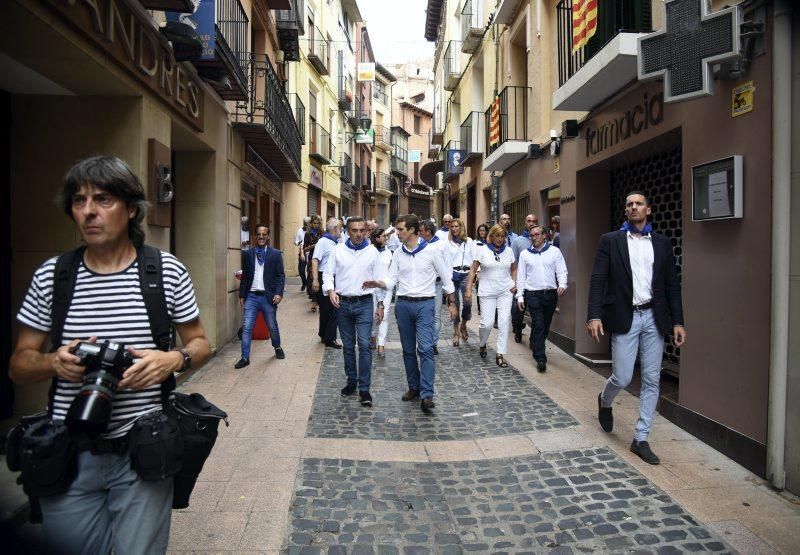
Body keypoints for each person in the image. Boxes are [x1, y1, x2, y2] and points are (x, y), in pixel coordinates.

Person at [10, 156, 212, 553]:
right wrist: (52, 362)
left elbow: (200, 343)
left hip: (143, 451)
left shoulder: (164, 271)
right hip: (68, 453)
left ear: (131, 209)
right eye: (79, 200)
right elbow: (19, 363)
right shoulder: (53, 275)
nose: (88, 211)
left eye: (103, 199)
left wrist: (173, 360)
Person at [588, 191, 686, 465]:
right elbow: (598, 279)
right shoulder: (611, 241)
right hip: (624, 317)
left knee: (652, 379)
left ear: (648, 210)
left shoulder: (663, 244)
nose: (633, 207)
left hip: (654, 318)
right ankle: (605, 400)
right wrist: (593, 315)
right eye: (629, 203)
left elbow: (671, 286)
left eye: (638, 203)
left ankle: (641, 438)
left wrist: (678, 321)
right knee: (621, 376)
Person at [365, 214, 457, 413]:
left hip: (425, 304)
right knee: (408, 350)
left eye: (401, 230)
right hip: (404, 305)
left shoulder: (432, 251)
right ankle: (414, 387)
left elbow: (447, 279)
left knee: (425, 348)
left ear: (413, 230)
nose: (397, 233)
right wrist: (377, 283)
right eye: (397, 230)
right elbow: (391, 280)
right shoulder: (398, 253)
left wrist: (452, 302)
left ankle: (427, 394)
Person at [323, 217, 385, 407]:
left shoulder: (373, 252)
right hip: (343, 304)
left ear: (366, 231)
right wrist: (331, 290)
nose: (358, 234)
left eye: (361, 230)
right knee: (348, 346)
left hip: (365, 303)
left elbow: (380, 278)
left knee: (365, 345)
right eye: (354, 230)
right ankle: (351, 382)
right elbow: (327, 273)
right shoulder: (338, 250)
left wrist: (381, 304)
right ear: (347, 232)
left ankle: (364, 388)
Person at [516, 224, 567, 372]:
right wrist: (520, 296)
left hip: (550, 294)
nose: (534, 237)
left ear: (544, 235)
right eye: (532, 235)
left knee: (545, 324)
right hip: (533, 295)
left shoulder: (554, 252)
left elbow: (561, 270)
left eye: (537, 234)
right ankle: (540, 358)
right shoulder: (525, 254)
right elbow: (521, 277)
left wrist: (562, 284)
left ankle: (535, 341)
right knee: (538, 324)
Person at [465, 224, 516, 367]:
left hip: (505, 291)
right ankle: (482, 343)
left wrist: (514, 283)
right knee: (486, 324)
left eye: (502, 236)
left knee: (504, 321)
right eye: (497, 236)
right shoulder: (481, 250)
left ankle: (500, 354)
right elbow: (473, 270)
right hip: (487, 291)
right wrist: (468, 289)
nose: (500, 239)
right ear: (491, 236)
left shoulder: (509, 251)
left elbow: (514, 268)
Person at [236, 224, 286, 367]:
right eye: (259, 234)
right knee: (247, 327)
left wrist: (279, 293)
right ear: (255, 236)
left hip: (268, 297)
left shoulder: (275, 254)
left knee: (272, 326)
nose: (261, 237)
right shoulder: (248, 254)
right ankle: (245, 358)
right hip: (251, 296)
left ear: (268, 236)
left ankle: (277, 347)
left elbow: (280, 276)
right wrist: (241, 295)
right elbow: (245, 276)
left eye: (264, 234)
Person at [311, 218, 342, 348]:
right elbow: (314, 260)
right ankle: (327, 336)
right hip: (323, 276)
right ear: (334, 229)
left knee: (334, 308)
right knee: (327, 309)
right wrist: (315, 279)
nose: (341, 231)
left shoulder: (337, 243)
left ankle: (327, 336)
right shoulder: (323, 241)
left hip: (335, 278)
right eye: (340, 228)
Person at [444, 218, 475, 345]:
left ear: (461, 227)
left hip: (466, 274)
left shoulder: (469, 242)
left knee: (468, 303)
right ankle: (456, 331)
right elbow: (446, 262)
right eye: (452, 227)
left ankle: (464, 325)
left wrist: (476, 274)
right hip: (453, 275)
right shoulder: (448, 243)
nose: (454, 229)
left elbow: (474, 258)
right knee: (454, 304)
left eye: (456, 226)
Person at [510, 214, 539, 343]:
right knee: (518, 310)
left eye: (534, 221)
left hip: (536, 283)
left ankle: (534, 339)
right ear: (525, 223)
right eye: (529, 221)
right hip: (521, 281)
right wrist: (514, 282)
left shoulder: (542, 240)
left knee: (535, 313)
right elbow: (513, 263)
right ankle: (517, 329)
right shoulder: (517, 241)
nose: (531, 223)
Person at [419, 219, 446, 355]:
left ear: (428, 232)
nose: (419, 233)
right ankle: (423, 343)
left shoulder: (441, 245)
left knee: (436, 316)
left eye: (421, 231)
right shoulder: (418, 244)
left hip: (436, 284)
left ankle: (433, 344)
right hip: (422, 284)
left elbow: (447, 265)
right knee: (422, 316)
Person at [370, 228, 394, 358]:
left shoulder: (389, 253)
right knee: (373, 315)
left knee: (384, 316)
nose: (385, 238)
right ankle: (372, 336)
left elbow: (392, 271)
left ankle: (381, 345)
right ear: (376, 238)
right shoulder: (369, 251)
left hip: (385, 289)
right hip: (371, 288)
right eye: (383, 236)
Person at [303, 215, 322, 312]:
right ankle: (314, 301)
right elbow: (305, 249)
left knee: (320, 277)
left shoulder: (322, 233)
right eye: (314, 223)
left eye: (317, 223)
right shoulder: (308, 234)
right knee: (312, 278)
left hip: (322, 259)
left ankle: (320, 300)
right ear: (311, 224)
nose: (316, 225)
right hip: (312, 258)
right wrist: (313, 246)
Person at [474, 223, 490, 317]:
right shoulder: (475, 243)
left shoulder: (490, 243)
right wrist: (477, 271)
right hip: (479, 270)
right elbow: (475, 258)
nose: (482, 232)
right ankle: (480, 308)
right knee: (479, 289)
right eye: (480, 230)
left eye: (483, 230)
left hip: (488, 269)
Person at [295, 216, 310, 291]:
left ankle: (309, 287)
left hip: (310, 252)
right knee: (301, 270)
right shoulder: (300, 231)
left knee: (310, 270)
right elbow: (296, 241)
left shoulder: (311, 232)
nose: (306, 225)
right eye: (305, 223)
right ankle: (304, 283)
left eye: (307, 223)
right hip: (302, 252)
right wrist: (298, 242)